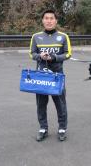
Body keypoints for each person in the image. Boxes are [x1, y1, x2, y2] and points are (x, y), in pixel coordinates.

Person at [29, 9, 72, 142]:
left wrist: (53, 57)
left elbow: (68, 54)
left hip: (57, 76)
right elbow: (32, 53)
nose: (49, 21)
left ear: (56, 20)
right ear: (42, 21)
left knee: (60, 104)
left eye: (51, 18)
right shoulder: (36, 37)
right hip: (41, 77)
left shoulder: (63, 36)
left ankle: (62, 129)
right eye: (46, 18)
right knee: (41, 104)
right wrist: (40, 56)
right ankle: (43, 128)